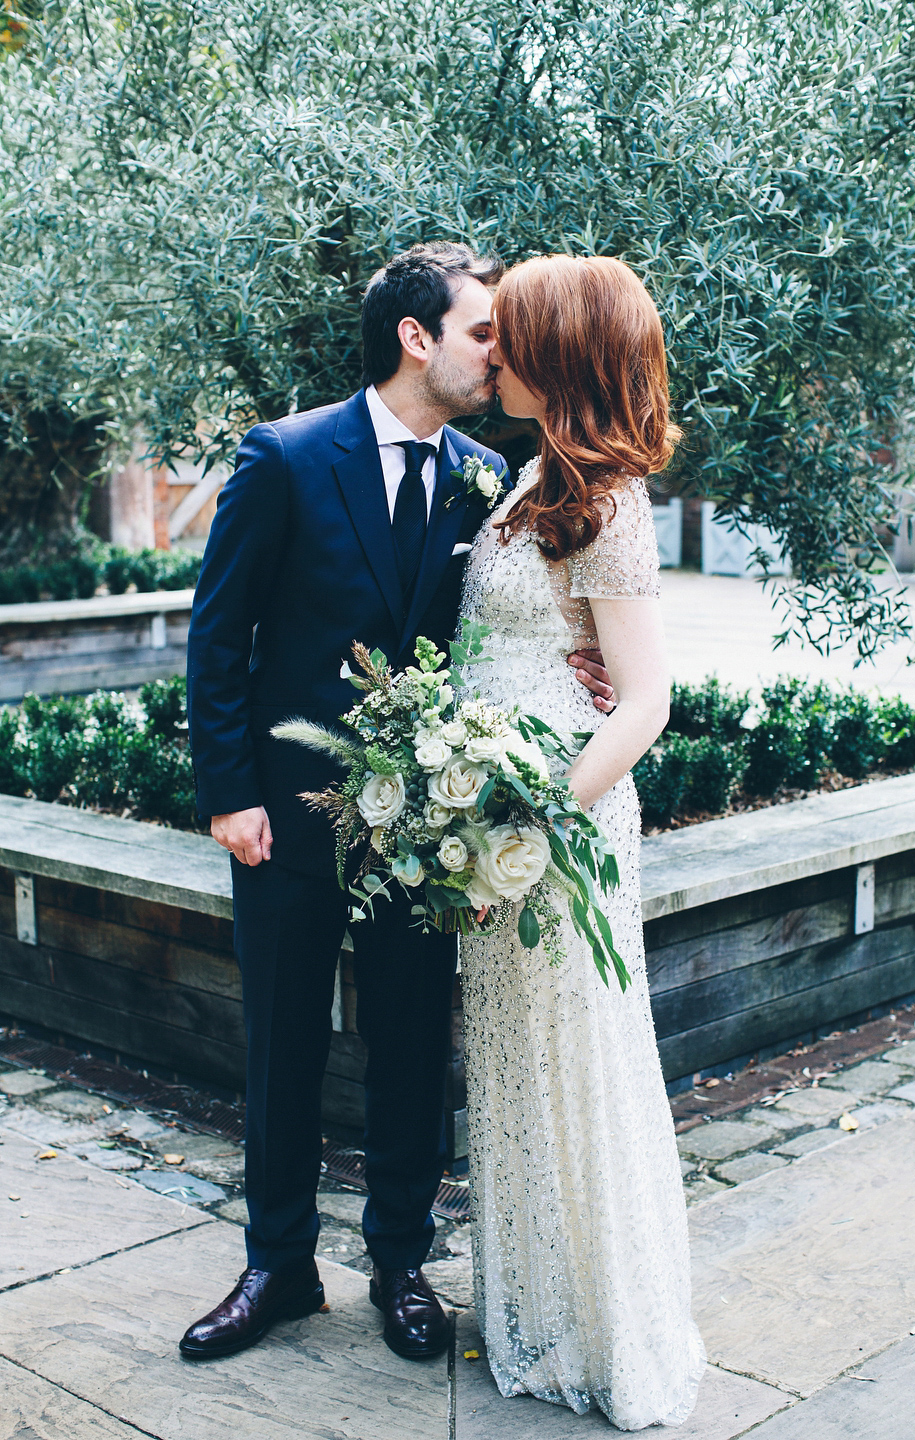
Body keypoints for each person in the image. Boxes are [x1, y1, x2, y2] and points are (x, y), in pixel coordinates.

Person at [181, 242, 614, 1363]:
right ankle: (275, 1268)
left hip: (430, 830)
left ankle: (401, 1264)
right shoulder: (284, 456)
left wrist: (582, 668)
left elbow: (519, 619)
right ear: (415, 338)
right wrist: (231, 794)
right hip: (282, 815)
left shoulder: (486, 473)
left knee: (414, 1045)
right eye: (482, 332)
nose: (500, 351)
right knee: (280, 1044)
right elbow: (219, 637)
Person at [457, 254, 706, 1428]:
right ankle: (545, 1304)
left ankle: (608, 1325)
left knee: (579, 1059)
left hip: (560, 825)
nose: (492, 354)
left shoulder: (606, 501)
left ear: (559, 350)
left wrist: (528, 818)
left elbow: (646, 700)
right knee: (517, 1062)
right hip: (500, 818)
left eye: (509, 337)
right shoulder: (529, 480)